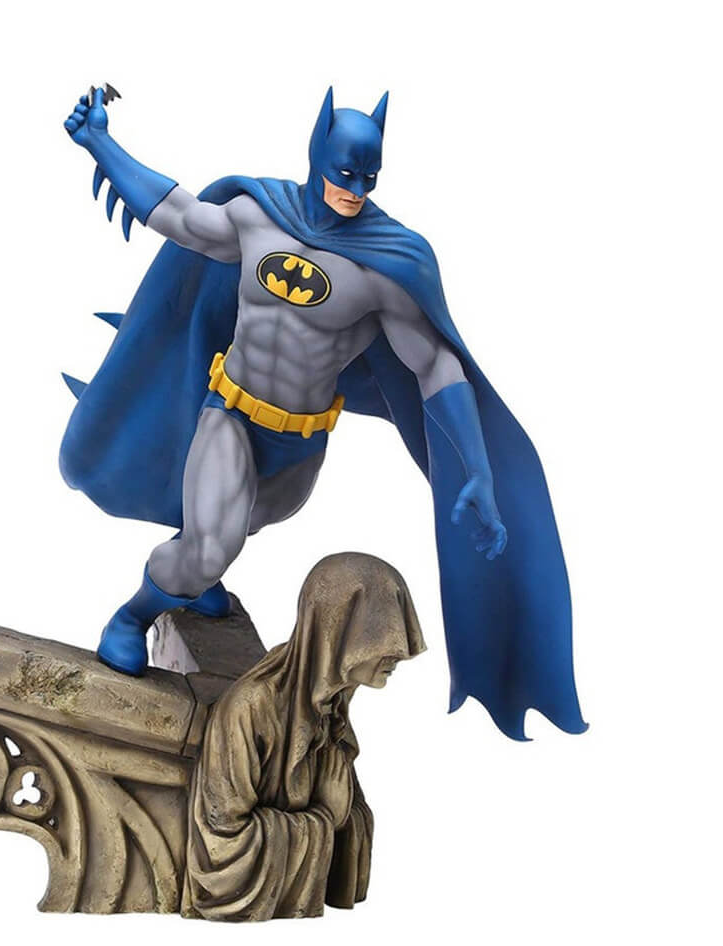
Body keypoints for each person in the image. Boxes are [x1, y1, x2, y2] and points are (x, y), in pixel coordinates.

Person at [59, 86, 586, 741]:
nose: (354, 190)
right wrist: (99, 142)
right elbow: (181, 216)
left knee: (236, 528)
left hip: (301, 446)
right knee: (209, 546)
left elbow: (435, 365)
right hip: (230, 414)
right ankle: (134, 616)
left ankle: (196, 570)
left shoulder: (386, 263)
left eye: (367, 178)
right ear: (318, 158)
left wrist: (476, 467)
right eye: (344, 174)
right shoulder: (260, 216)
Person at [182, 553, 425, 921]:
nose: (401, 653)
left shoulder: (330, 711)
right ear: (340, 634)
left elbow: (350, 813)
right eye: (381, 634)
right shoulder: (250, 710)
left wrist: (340, 818)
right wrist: (325, 817)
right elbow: (220, 847)